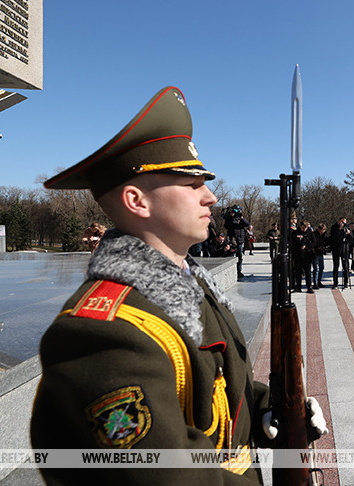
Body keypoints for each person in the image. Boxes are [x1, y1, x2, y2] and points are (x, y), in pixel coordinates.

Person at [32, 86, 326, 484]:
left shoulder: (187, 284)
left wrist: (265, 410)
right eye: (192, 184)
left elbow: (217, 381)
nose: (212, 196)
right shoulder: (102, 333)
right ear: (138, 201)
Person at [224, 205, 251, 278]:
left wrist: (242, 218)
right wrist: (230, 217)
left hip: (239, 239)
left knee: (239, 256)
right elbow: (226, 226)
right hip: (232, 239)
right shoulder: (230, 218)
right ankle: (230, 270)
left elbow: (247, 224)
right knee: (231, 255)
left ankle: (239, 271)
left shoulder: (241, 218)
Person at [290, 219, 315, 293]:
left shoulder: (310, 233)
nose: (303, 229)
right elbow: (292, 241)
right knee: (298, 271)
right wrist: (298, 242)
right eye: (302, 227)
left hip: (307, 255)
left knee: (308, 272)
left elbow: (314, 242)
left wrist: (306, 246)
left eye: (305, 227)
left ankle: (309, 287)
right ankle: (298, 287)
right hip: (298, 255)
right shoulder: (295, 232)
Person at [330, 217, 352, 288]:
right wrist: (339, 230)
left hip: (344, 249)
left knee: (345, 266)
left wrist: (349, 233)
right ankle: (335, 282)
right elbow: (333, 237)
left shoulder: (347, 227)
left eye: (344, 222)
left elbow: (351, 238)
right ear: (339, 221)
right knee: (336, 266)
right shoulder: (334, 227)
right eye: (342, 222)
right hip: (336, 249)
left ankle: (346, 282)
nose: (343, 224)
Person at [312, 223, 328, 289]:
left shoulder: (323, 235)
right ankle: (315, 283)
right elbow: (314, 243)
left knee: (321, 268)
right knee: (316, 268)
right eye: (322, 230)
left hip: (320, 253)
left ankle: (319, 281)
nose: (323, 232)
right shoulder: (314, 235)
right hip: (315, 253)